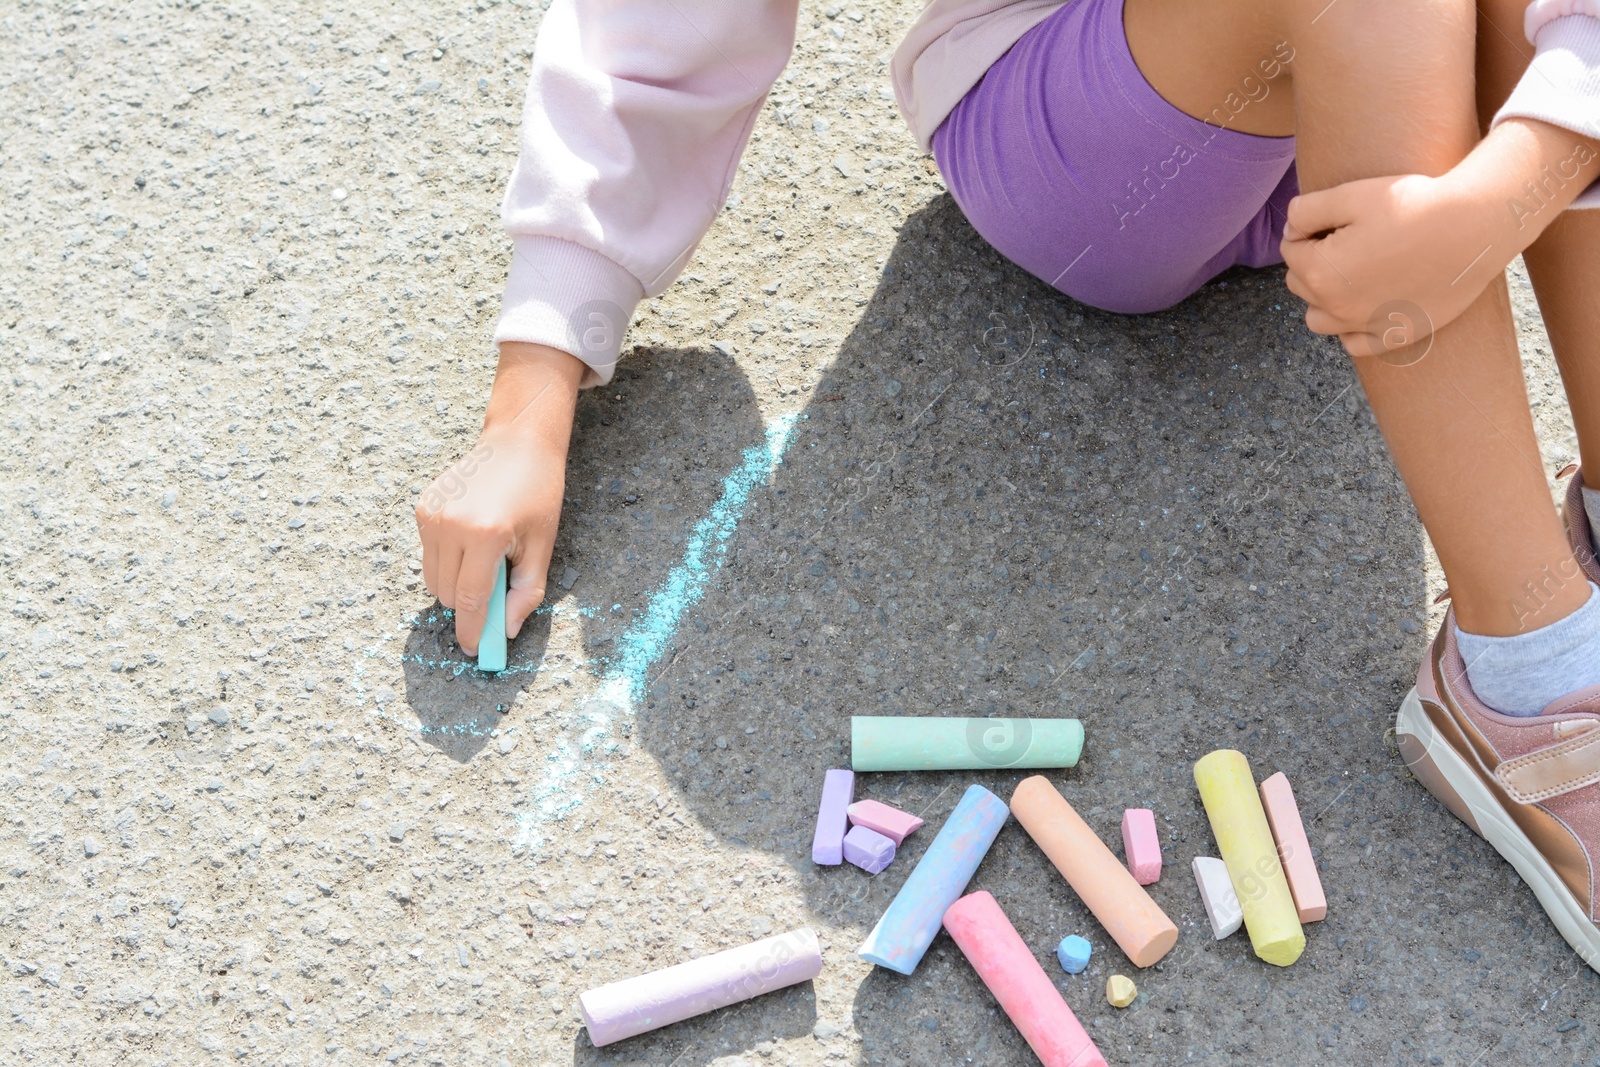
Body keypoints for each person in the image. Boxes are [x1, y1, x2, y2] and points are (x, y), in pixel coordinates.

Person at [413, 0, 1600, 965]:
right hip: (1111, 150)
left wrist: (1513, 187)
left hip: (1399, 114)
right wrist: (534, 387)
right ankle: (1529, 670)